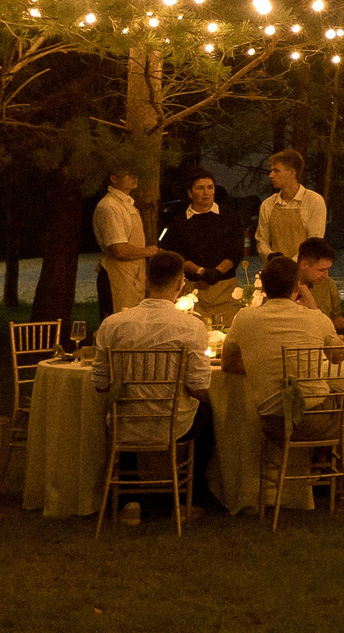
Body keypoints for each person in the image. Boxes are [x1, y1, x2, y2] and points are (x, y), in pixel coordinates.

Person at [90, 250, 215, 488]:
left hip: (125, 422)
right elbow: (198, 386)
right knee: (210, 414)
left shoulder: (113, 324)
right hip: (174, 424)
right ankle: (191, 490)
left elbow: (100, 384)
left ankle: (128, 495)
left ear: (147, 282)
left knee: (122, 412)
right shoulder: (191, 326)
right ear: (180, 284)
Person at [223, 254, 344, 457]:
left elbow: (227, 364)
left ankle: (317, 465)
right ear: (297, 287)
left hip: (273, 423)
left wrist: (262, 366)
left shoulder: (244, 318)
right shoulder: (316, 318)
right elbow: (337, 357)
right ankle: (338, 471)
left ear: (263, 288)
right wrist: (314, 308)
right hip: (313, 419)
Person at [160, 169, 246, 327]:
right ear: (190, 193)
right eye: (200, 188)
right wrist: (201, 272)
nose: (206, 192)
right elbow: (177, 255)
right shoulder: (179, 222)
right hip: (192, 291)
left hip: (225, 289)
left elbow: (236, 251)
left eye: (210, 187)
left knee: (227, 331)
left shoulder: (229, 216)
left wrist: (217, 272)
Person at [93, 168, 159, 321]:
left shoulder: (127, 204)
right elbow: (119, 250)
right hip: (117, 278)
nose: (133, 177)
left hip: (132, 278)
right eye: (128, 173)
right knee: (120, 324)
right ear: (113, 178)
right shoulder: (110, 206)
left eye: (135, 173)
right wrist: (150, 251)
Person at [254, 149, 326, 260]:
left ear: (292, 172)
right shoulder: (268, 204)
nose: (271, 175)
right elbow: (261, 240)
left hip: (304, 268)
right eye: (271, 170)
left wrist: (291, 264)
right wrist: (271, 256)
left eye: (276, 171)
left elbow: (314, 243)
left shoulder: (314, 201)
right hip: (275, 267)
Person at [294, 237, 344, 329]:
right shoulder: (284, 285)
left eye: (328, 269)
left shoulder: (328, 285)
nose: (326, 275)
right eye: (321, 270)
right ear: (304, 265)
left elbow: (334, 317)